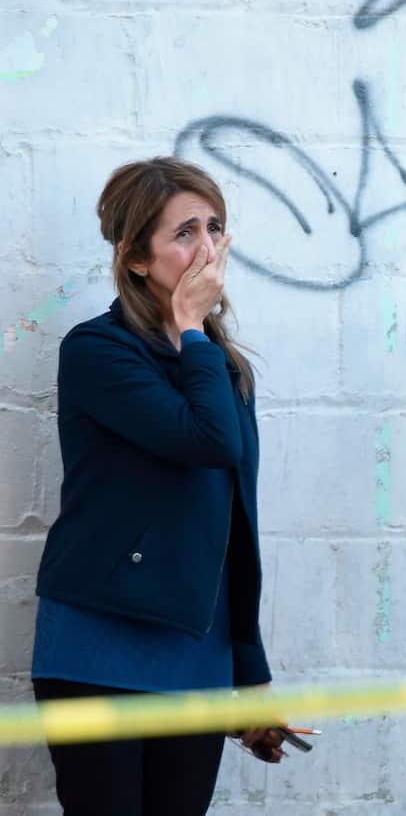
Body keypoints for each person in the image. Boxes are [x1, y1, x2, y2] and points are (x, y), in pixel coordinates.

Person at [31, 158, 286, 815]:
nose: (207, 250)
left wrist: (248, 669)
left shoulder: (224, 369)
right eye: (184, 233)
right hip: (97, 651)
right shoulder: (96, 352)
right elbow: (206, 440)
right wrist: (193, 329)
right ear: (136, 257)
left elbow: (237, 519)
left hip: (193, 658)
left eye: (216, 228)